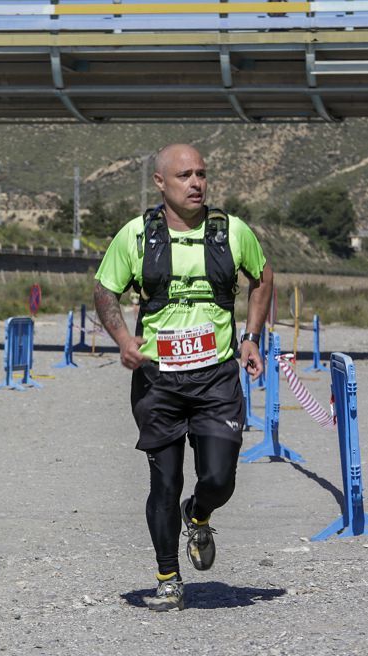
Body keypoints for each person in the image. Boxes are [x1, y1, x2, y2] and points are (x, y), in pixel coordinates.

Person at [93, 143, 273, 612]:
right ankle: (168, 577)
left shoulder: (232, 232)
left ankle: (200, 513)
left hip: (215, 376)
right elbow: (105, 291)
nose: (196, 183)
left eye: (201, 174)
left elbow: (263, 277)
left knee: (219, 478)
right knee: (164, 482)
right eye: (184, 176)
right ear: (160, 183)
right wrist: (122, 339)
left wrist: (251, 336)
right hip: (159, 379)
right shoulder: (135, 236)